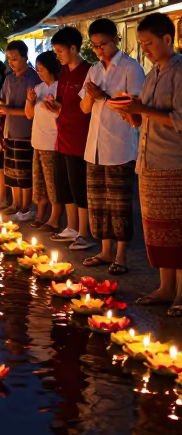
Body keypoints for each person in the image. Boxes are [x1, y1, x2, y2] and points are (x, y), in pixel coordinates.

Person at [109, 11, 182, 313]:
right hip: (149, 162)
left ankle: (181, 294)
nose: (146, 51)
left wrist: (142, 109)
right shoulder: (152, 75)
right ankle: (165, 287)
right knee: (156, 230)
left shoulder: (179, 72)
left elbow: (178, 119)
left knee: (178, 229)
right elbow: (145, 120)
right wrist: (131, 114)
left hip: (174, 162)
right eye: (142, 45)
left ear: (168, 38)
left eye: (149, 43)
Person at [79, 17, 145, 273]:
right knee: (98, 204)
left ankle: (121, 256)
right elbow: (85, 107)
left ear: (116, 40)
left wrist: (103, 97)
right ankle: (105, 251)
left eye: (103, 44)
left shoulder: (131, 68)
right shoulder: (94, 69)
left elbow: (134, 108)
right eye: (95, 46)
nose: (99, 51)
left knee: (119, 205)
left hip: (119, 145)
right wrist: (91, 97)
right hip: (94, 146)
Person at [45, 26, 93, 250]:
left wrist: (63, 109)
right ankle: (72, 226)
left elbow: (86, 108)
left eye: (60, 51)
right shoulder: (63, 73)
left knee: (79, 186)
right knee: (64, 185)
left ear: (74, 48)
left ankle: (84, 232)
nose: (57, 56)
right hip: (62, 135)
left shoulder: (88, 72)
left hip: (80, 138)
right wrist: (55, 107)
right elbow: (63, 103)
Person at [0, 39, 37, 219]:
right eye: (9, 59)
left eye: (14, 59)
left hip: (25, 131)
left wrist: (9, 110)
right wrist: (0, 105)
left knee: (23, 172)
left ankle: (25, 207)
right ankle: (15, 204)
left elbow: (33, 110)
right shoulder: (9, 78)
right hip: (9, 129)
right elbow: (2, 98)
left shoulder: (33, 78)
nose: (11, 63)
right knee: (11, 171)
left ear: (24, 57)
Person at [25, 50, 63, 230]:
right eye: (37, 69)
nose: (38, 72)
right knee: (39, 181)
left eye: (41, 69)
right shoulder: (39, 89)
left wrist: (56, 108)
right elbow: (29, 115)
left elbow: (63, 114)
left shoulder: (59, 87)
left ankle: (54, 219)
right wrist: (30, 101)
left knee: (53, 183)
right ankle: (41, 215)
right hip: (37, 141)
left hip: (52, 142)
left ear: (51, 68)